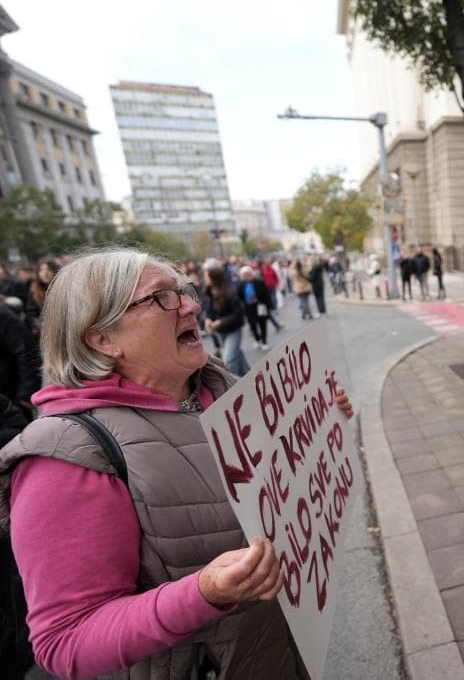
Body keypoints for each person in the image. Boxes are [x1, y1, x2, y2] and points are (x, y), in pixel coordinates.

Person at [0, 247, 355, 678]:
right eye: (161, 297)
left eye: (183, 290)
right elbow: (65, 640)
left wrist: (316, 416)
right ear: (102, 338)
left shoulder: (216, 382)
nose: (192, 304)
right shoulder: (66, 458)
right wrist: (201, 593)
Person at [202, 263, 250, 376]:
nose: (204, 278)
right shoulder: (208, 291)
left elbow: (238, 314)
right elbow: (206, 310)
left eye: (206, 276)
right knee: (236, 355)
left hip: (233, 330)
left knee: (229, 360)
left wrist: (221, 322)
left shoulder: (230, 292)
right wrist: (207, 319)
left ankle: (233, 387)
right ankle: (250, 376)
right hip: (220, 331)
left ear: (214, 277)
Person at [237, 265, 272, 351]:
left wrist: (269, 306)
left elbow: (266, 294)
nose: (246, 276)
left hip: (260, 306)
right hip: (249, 308)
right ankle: (257, 339)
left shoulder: (259, 282)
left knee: (262, 324)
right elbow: (238, 297)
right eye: (244, 274)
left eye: (248, 274)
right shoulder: (241, 285)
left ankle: (264, 341)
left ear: (251, 273)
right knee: (252, 325)